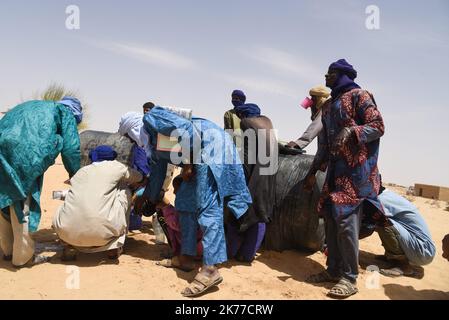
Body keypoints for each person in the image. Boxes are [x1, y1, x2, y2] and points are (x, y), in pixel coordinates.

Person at [118, 107, 252, 297]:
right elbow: (157, 174)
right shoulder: (154, 143)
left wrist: (189, 163)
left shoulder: (152, 118)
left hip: (211, 147)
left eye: (130, 137)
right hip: (198, 154)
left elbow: (187, 130)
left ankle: (210, 269)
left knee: (207, 207)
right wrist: (147, 196)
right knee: (185, 203)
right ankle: (186, 258)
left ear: (131, 129)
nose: (132, 142)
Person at [304, 59, 386, 298]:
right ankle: (333, 271)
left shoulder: (361, 96)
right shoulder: (328, 106)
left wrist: (352, 130)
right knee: (330, 220)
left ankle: (349, 278)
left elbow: (378, 126)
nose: (326, 77)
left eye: (330, 74)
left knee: (346, 224)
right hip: (334, 175)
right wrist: (311, 174)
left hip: (357, 174)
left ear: (341, 75)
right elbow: (324, 146)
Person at [0, 97, 82, 267]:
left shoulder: (30, 105)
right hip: (25, 156)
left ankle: (7, 250)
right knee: (23, 202)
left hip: (3, 148)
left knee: (4, 196)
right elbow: (71, 149)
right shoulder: (64, 112)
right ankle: (22, 257)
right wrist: (75, 174)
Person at [52, 146, 144, 260]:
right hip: (103, 234)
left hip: (66, 233)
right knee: (125, 190)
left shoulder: (82, 171)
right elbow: (139, 177)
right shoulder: (117, 167)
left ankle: (69, 245)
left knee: (70, 199)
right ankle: (114, 248)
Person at [226, 102, 277, 262]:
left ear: (242, 115)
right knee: (260, 213)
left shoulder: (247, 123)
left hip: (254, 177)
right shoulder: (267, 123)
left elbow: (248, 157)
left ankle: (231, 252)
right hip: (269, 177)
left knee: (238, 212)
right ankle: (248, 254)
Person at [360, 187, 436, 277]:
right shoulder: (385, 195)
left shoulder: (379, 200)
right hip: (421, 248)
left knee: (383, 222)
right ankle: (391, 257)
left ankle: (403, 266)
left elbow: (367, 230)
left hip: (422, 250)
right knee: (381, 221)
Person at [155, 175, 203, 263]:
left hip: (196, 247)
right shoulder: (192, 200)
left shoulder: (189, 205)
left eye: (176, 188)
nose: (174, 192)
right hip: (198, 245)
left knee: (164, 217)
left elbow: (179, 225)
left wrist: (166, 208)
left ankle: (184, 257)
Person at [287, 85, 330, 150]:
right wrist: (313, 110)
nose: (311, 100)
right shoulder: (321, 108)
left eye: (313, 98)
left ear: (320, 99)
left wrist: (298, 143)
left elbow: (316, 126)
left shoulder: (327, 107)